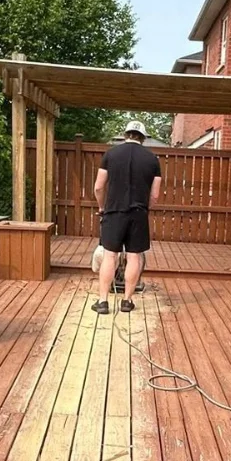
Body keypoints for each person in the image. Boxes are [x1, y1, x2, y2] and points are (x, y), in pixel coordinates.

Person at [91, 119, 161, 314]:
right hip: (138, 213)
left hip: (113, 212)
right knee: (134, 256)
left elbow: (98, 187)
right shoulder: (152, 160)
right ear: (143, 138)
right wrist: (144, 208)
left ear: (125, 134)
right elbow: (155, 195)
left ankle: (103, 302)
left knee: (109, 256)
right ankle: (127, 302)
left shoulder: (110, 154)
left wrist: (102, 206)